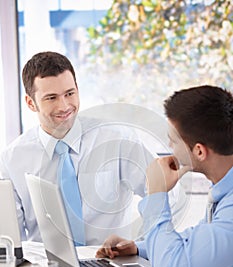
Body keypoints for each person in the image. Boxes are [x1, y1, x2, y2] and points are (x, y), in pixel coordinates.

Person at [0, 51, 182, 245]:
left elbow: (169, 195)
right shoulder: (11, 161)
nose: (64, 106)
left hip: (111, 264)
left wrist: (141, 247)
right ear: (31, 103)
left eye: (69, 94)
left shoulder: (118, 140)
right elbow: (10, 241)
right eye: (51, 98)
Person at [96, 85, 233, 267]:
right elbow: (199, 241)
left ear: (199, 151)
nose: (169, 146)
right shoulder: (225, 189)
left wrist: (156, 193)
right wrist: (138, 248)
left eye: (173, 140)